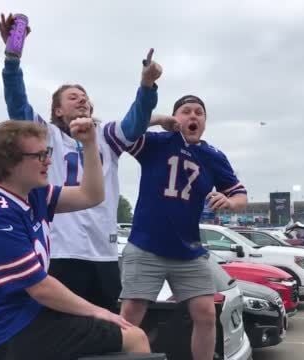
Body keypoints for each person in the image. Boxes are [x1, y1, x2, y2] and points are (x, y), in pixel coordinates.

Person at [0, 14, 166, 312]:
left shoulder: (108, 136)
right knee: (61, 332)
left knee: (106, 330)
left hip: (103, 253)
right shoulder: (45, 135)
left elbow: (136, 119)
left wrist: (147, 86)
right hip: (61, 252)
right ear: (58, 110)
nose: (82, 100)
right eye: (73, 97)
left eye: (85, 96)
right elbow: (17, 103)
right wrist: (12, 59)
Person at [0, 120, 149, 360]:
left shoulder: (33, 193)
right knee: (135, 338)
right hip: (9, 331)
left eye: (47, 152)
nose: (48, 161)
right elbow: (40, 288)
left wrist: (90, 145)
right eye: (39, 155)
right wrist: (98, 311)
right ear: (10, 161)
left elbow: (91, 195)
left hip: (30, 316)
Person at [115, 95, 248, 360]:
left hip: (189, 250)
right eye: (186, 111)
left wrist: (230, 202)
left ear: (205, 122)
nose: (193, 116)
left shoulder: (213, 156)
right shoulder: (158, 142)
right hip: (146, 246)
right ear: (176, 117)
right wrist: (158, 119)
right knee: (130, 315)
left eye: (200, 112)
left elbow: (241, 196)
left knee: (207, 314)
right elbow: (125, 130)